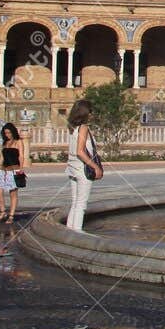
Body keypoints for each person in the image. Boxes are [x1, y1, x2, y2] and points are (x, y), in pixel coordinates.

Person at [65, 99, 103, 232]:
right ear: (85, 113)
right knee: (81, 204)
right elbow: (80, 152)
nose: (92, 115)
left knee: (75, 202)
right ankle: (77, 232)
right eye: (90, 112)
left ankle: (69, 230)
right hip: (82, 170)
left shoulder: (72, 127)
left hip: (72, 168)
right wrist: (95, 166)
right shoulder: (84, 128)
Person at [0, 122, 25, 224]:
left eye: (9, 133)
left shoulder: (18, 142)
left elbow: (21, 156)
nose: (7, 135)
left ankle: (11, 215)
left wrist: (21, 169)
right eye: (5, 133)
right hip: (3, 170)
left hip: (14, 169)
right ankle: (3, 211)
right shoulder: (5, 143)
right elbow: (1, 158)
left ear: (13, 132)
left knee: (13, 193)